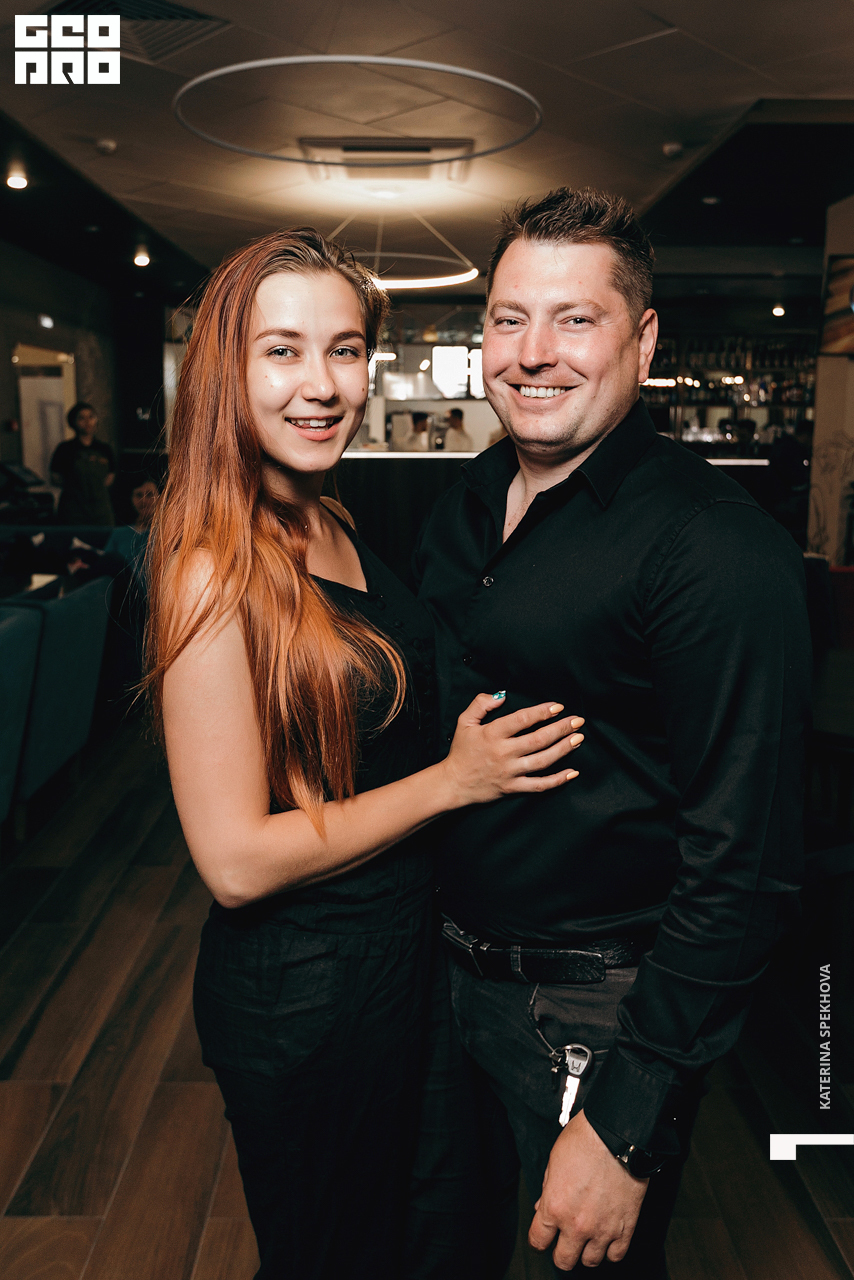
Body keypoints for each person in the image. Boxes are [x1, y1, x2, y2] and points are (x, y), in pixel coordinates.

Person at [143, 227, 585, 1280]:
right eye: (283, 351)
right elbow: (233, 860)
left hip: (408, 961)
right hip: (305, 993)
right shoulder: (212, 566)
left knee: (437, 1242)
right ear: (225, 370)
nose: (323, 384)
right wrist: (453, 782)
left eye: (345, 350)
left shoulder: (331, 518)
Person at [414, 187, 811, 1277]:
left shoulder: (714, 546)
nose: (533, 352)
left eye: (574, 319)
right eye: (508, 319)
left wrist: (629, 1116)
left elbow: (747, 862)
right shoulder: (463, 503)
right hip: (437, 975)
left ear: (642, 340)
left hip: (589, 1014)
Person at [50, 401, 115, 525]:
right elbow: (55, 476)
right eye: (81, 418)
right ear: (73, 421)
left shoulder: (104, 449)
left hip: (100, 509)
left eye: (91, 417)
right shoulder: (65, 449)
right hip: (73, 510)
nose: (87, 422)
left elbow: (110, 476)